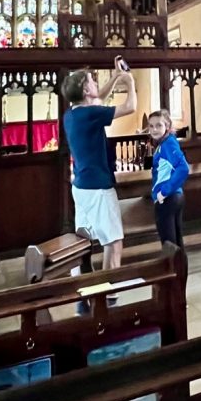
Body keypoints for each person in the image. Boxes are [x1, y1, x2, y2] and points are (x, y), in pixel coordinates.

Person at [61, 57, 137, 274]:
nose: (95, 83)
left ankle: (82, 296)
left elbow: (97, 98)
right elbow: (130, 107)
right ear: (85, 90)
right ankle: (108, 295)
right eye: (92, 81)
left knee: (83, 241)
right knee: (113, 242)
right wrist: (129, 82)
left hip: (81, 187)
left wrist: (114, 77)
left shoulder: (72, 114)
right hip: (98, 188)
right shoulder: (91, 114)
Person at [146, 109, 188, 249]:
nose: (154, 129)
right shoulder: (163, 144)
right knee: (176, 242)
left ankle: (173, 270)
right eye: (151, 126)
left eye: (158, 125)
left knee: (169, 244)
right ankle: (180, 270)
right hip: (173, 196)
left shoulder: (169, 144)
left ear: (167, 126)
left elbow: (183, 168)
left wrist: (163, 192)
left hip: (168, 198)